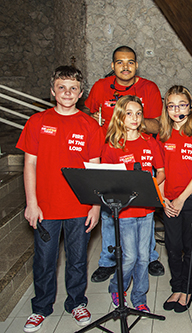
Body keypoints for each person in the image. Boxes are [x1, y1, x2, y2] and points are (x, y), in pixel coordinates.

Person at [17, 66, 103, 332]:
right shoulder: (37, 122)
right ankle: (41, 307)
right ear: (52, 91)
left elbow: (95, 169)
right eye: (62, 87)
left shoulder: (89, 125)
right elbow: (29, 165)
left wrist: (96, 205)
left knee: (77, 259)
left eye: (73, 88)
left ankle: (76, 302)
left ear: (80, 94)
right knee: (44, 259)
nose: (67, 92)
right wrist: (31, 203)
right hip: (45, 207)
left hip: (79, 207)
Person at [86, 45, 165, 282]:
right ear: (112, 66)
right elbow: (88, 116)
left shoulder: (148, 87)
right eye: (120, 62)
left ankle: (149, 256)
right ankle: (108, 260)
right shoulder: (100, 86)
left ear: (137, 65)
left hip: (140, 155)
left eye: (130, 62)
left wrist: (129, 121)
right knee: (110, 212)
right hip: (108, 153)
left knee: (144, 211)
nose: (125, 67)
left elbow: (158, 125)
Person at [101, 95, 165, 312]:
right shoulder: (112, 145)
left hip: (146, 210)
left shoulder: (150, 142)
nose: (135, 118)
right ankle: (117, 287)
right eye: (129, 113)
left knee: (143, 256)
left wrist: (151, 185)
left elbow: (162, 171)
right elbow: (107, 180)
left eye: (138, 113)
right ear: (120, 115)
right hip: (125, 211)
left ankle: (139, 296)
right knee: (129, 257)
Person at [158, 86, 192, 313]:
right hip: (168, 200)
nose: (177, 109)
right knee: (173, 246)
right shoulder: (162, 135)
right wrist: (163, 199)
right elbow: (159, 171)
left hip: (190, 198)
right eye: (172, 105)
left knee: (190, 246)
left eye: (182, 104)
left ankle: (187, 289)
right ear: (166, 109)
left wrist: (180, 199)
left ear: (190, 106)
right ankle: (176, 286)